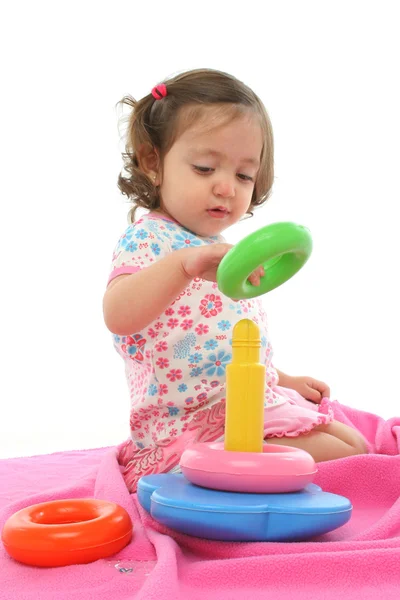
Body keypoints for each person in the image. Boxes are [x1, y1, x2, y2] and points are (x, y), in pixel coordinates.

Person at [103, 68, 367, 493]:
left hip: (240, 402)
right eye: (206, 168)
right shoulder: (149, 238)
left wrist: (280, 377)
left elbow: (226, 339)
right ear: (153, 162)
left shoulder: (220, 247)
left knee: (351, 442)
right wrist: (183, 266)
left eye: (244, 175)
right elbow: (118, 315)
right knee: (344, 457)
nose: (227, 187)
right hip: (191, 424)